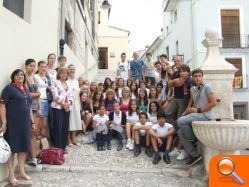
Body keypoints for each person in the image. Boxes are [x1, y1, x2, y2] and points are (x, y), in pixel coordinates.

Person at [1, 69, 35, 185]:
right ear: (13, 77)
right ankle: (11, 175)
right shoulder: (9, 88)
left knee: (23, 148)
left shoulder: (25, 89)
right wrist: (4, 122)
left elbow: (29, 106)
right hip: (12, 123)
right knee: (12, 149)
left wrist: (33, 121)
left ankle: (21, 172)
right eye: (17, 75)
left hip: (25, 123)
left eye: (22, 75)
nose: (20, 76)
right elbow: (2, 105)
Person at [177, 69, 217, 166]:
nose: (198, 78)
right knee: (180, 132)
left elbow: (213, 102)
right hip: (197, 115)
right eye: (195, 76)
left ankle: (193, 139)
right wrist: (185, 112)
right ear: (193, 78)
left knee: (180, 121)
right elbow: (191, 102)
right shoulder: (192, 89)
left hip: (205, 115)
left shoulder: (207, 87)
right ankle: (195, 155)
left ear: (202, 77)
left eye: (199, 76)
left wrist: (198, 110)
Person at [50, 67, 73, 153]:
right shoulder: (55, 83)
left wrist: (69, 104)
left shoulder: (68, 83)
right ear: (59, 74)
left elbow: (71, 95)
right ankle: (58, 147)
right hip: (58, 107)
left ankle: (63, 147)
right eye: (62, 73)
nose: (64, 74)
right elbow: (55, 96)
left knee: (64, 127)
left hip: (67, 108)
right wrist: (63, 104)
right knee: (58, 127)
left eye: (66, 73)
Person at [25, 59, 41, 166]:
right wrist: (36, 94)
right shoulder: (24, 78)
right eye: (31, 65)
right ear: (26, 66)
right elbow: (27, 94)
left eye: (34, 66)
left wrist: (40, 108)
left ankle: (33, 156)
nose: (33, 68)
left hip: (36, 108)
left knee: (34, 133)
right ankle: (31, 157)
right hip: (28, 108)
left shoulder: (34, 78)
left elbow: (39, 94)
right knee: (30, 132)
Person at [67, 64, 82, 146]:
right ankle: (68, 139)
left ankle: (73, 138)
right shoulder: (66, 80)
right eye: (71, 69)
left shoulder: (76, 81)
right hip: (69, 102)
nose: (72, 71)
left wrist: (79, 105)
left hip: (76, 102)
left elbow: (78, 94)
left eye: (73, 69)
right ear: (68, 70)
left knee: (76, 120)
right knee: (69, 121)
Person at [34, 61, 49, 138]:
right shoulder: (36, 77)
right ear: (38, 67)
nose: (44, 68)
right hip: (39, 101)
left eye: (45, 67)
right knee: (39, 123)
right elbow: (34, 89)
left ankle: (42, 141)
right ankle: (36, 141)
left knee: (44, 124)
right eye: (42, 67)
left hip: (45, 101)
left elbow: (47, 88)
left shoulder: (46, 78)